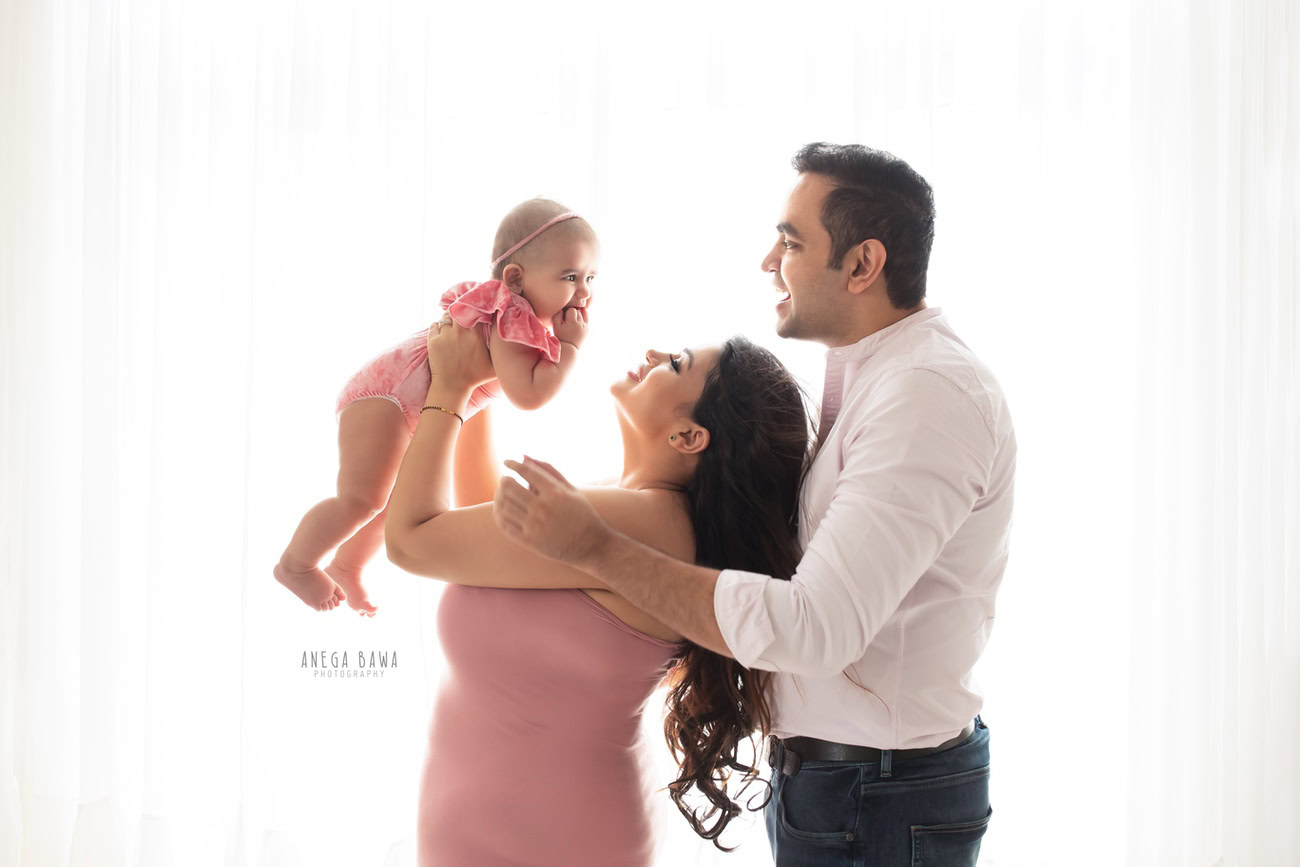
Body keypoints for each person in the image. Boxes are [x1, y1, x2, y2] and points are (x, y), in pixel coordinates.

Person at [494, 142, 1017, 866]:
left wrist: (598, 549)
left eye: (791, 241)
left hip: (879, 796)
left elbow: (816, 628)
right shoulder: (875, 376)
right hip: (848, 787)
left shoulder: (924, 396)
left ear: (863, 264)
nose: (769, 261)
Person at [385, 313, 819, 864]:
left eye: (678, 364)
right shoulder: (630, 507)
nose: (658, 353)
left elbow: (412, 541)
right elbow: (482, 536)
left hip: (552, 839)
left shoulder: (644, 524)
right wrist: (484, 378)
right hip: (504, 827)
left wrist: (447, 391)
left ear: (689, 436)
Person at [273, 198, 596, 616]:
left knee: (389, 498)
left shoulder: (516, 317)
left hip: (400, 402)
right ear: (515, 279)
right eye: (570, 277)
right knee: (361, 498)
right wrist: (569, 347)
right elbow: (528, 395)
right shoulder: (510, 316)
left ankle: (347, 565)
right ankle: (295, 564)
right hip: (384, 398)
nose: (584, 292)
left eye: (590, 277)